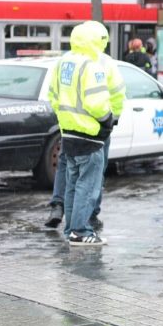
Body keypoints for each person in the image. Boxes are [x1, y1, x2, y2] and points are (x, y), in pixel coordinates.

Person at [45, 23, 125, 232]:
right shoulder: (99, 62)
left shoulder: (64, 61)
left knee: (70, 175)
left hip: (68, 129)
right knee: (90, 180)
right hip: (94, 131)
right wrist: (110, 120)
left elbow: (53, 96)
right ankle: (84, 223)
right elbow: (113, 95)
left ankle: (62, 212)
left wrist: (67, 119)